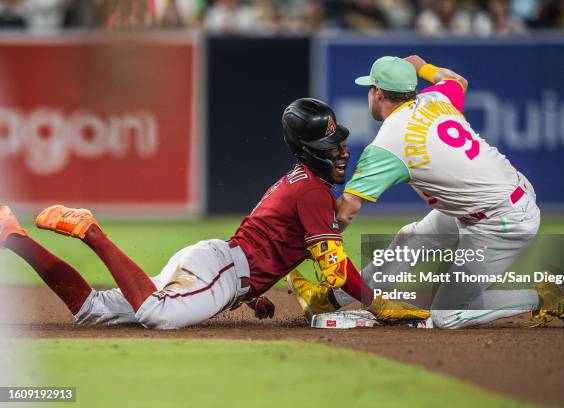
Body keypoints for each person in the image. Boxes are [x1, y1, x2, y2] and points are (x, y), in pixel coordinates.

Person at [0, 98, 428, 330]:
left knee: (93, 309)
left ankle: (11, 236)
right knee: (157, 315)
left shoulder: (296, 182)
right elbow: (333, 270)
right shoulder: (313, 193)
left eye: (340, 141)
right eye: (329, 147)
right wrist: (376, 304)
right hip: (221, 270)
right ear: (306, 152)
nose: (341, 151)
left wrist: (251, 292)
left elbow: (264, 243)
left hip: (218, 264)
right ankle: (92, 232)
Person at [286, 56, 564, 329]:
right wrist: (422, 65)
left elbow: (346, 212)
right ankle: (328, 299)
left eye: (369, 88)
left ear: (377, 92)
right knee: (411, 239)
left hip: (502, 220)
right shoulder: (436, 98)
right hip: (488, 199)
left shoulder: (387, 144)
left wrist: (305, 240)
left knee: (446, 316)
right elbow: (458, 81)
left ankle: (543, 296)